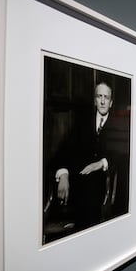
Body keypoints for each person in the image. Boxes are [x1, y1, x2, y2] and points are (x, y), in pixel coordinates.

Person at [55, 82, 120, 229]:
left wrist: (100, 164)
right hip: (78, 182)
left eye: (106, 98)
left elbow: (120, 157)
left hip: (101, 184)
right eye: (99, 96)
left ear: (111, 103)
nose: (103, 101)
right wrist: (64, 174)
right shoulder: (83, 122)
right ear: (95, 100)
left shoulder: (119, 125)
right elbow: (65, 149)